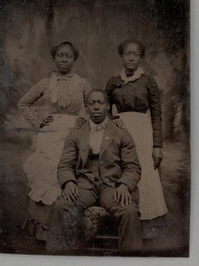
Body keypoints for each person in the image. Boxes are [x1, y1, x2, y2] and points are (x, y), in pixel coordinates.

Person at [46, 89, 142, 253]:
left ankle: (131, 259)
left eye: (100, 103)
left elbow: (132, 166)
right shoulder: (76, 133)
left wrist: (124, 186)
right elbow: (65, 164)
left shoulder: (121, 132)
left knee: (129, 212)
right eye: (92, 103)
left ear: (107, 107)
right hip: (84, 185)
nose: (96, 107)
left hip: (112, 185)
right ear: (86, 108)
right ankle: (58, 259)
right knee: (60, 207)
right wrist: (69, 182)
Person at [18, 41, 91, 240]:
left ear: (74, 59)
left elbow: (92, 109)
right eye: (60, 55)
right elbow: (23, 103)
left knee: (67, 173)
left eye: (68, 56)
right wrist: (39, 122)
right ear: (54, 58)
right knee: (46, 170)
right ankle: (44, 226)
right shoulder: (45, 83)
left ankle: (66, 227)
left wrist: (82, 125)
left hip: (73, 135)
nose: (64, 59)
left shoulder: (83, 83)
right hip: (49, 136)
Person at [105, 40, 168, 236]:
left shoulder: (148, 81)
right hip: (120, 132)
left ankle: (146, 223)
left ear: (140, 58)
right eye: (127, 54)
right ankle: (123, 219)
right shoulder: (113, 82)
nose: (131, 57)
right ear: (121, 57)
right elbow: (103, 110)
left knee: (144, 173)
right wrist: (114, 122)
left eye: (135, 54)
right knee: (121, 171)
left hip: (143, 134)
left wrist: (157, 145)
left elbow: (156, 115)